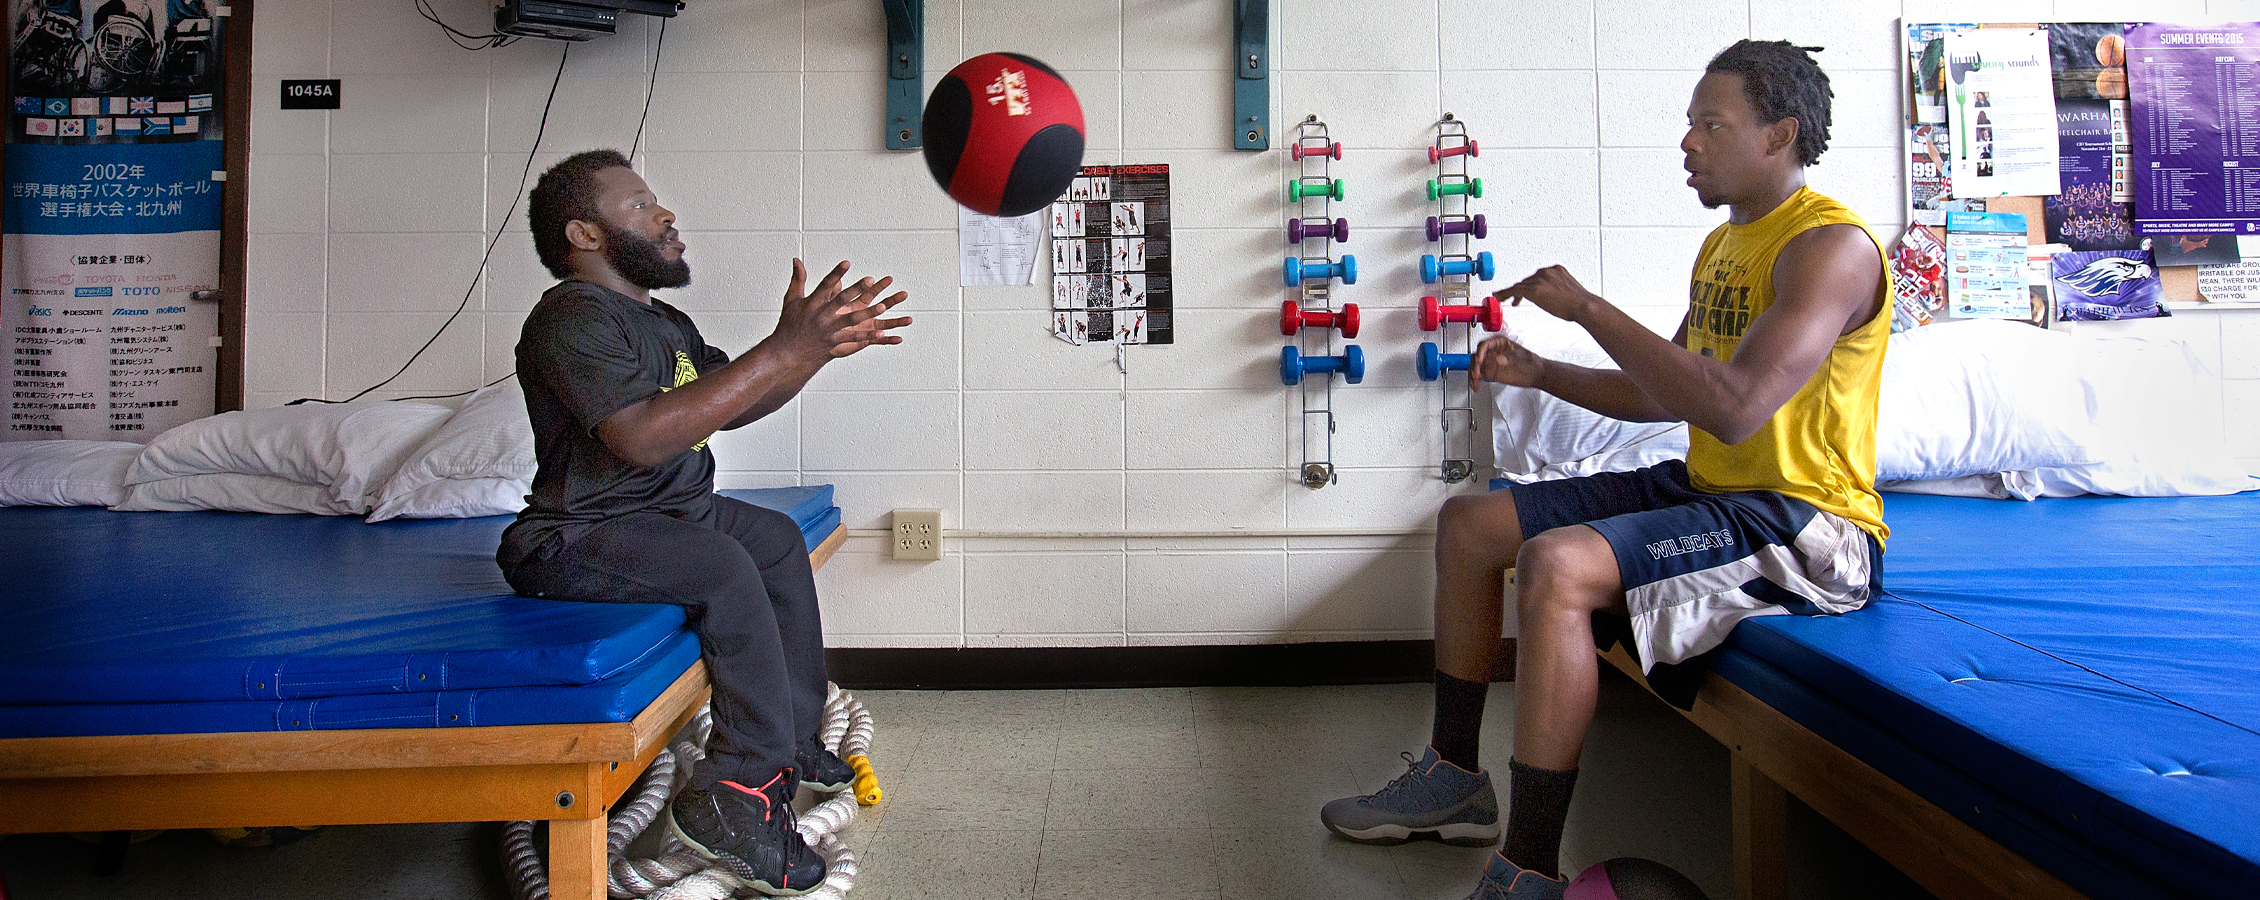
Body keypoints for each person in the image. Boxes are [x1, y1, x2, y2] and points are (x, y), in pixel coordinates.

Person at [1318, 41, 1890, 900]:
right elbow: (1672, 392)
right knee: (1471, 527)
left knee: (1557, 566)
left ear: (1782, 133)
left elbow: (1734, 405)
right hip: (1716, 490)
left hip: (1808, 526)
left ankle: (1527, 869)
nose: (1688, 143)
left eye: (1711, 123)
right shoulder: (1724, 248)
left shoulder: (1831, 249)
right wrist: (1544, 372)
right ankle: (1455, 780)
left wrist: (1588, 308)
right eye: (1689, 123)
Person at [497, 149, 910, 896]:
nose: (666, 214)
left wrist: (807, 354)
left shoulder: (666, 322)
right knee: (723, 566)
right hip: (581, 534)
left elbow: (735, 401)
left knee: (775, 540)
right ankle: (736, 790)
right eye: (640, 204)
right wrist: (784, 349)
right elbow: (642, 436)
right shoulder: (568, 318)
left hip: (670, 511)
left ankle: (789, 736)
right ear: (584, 234)